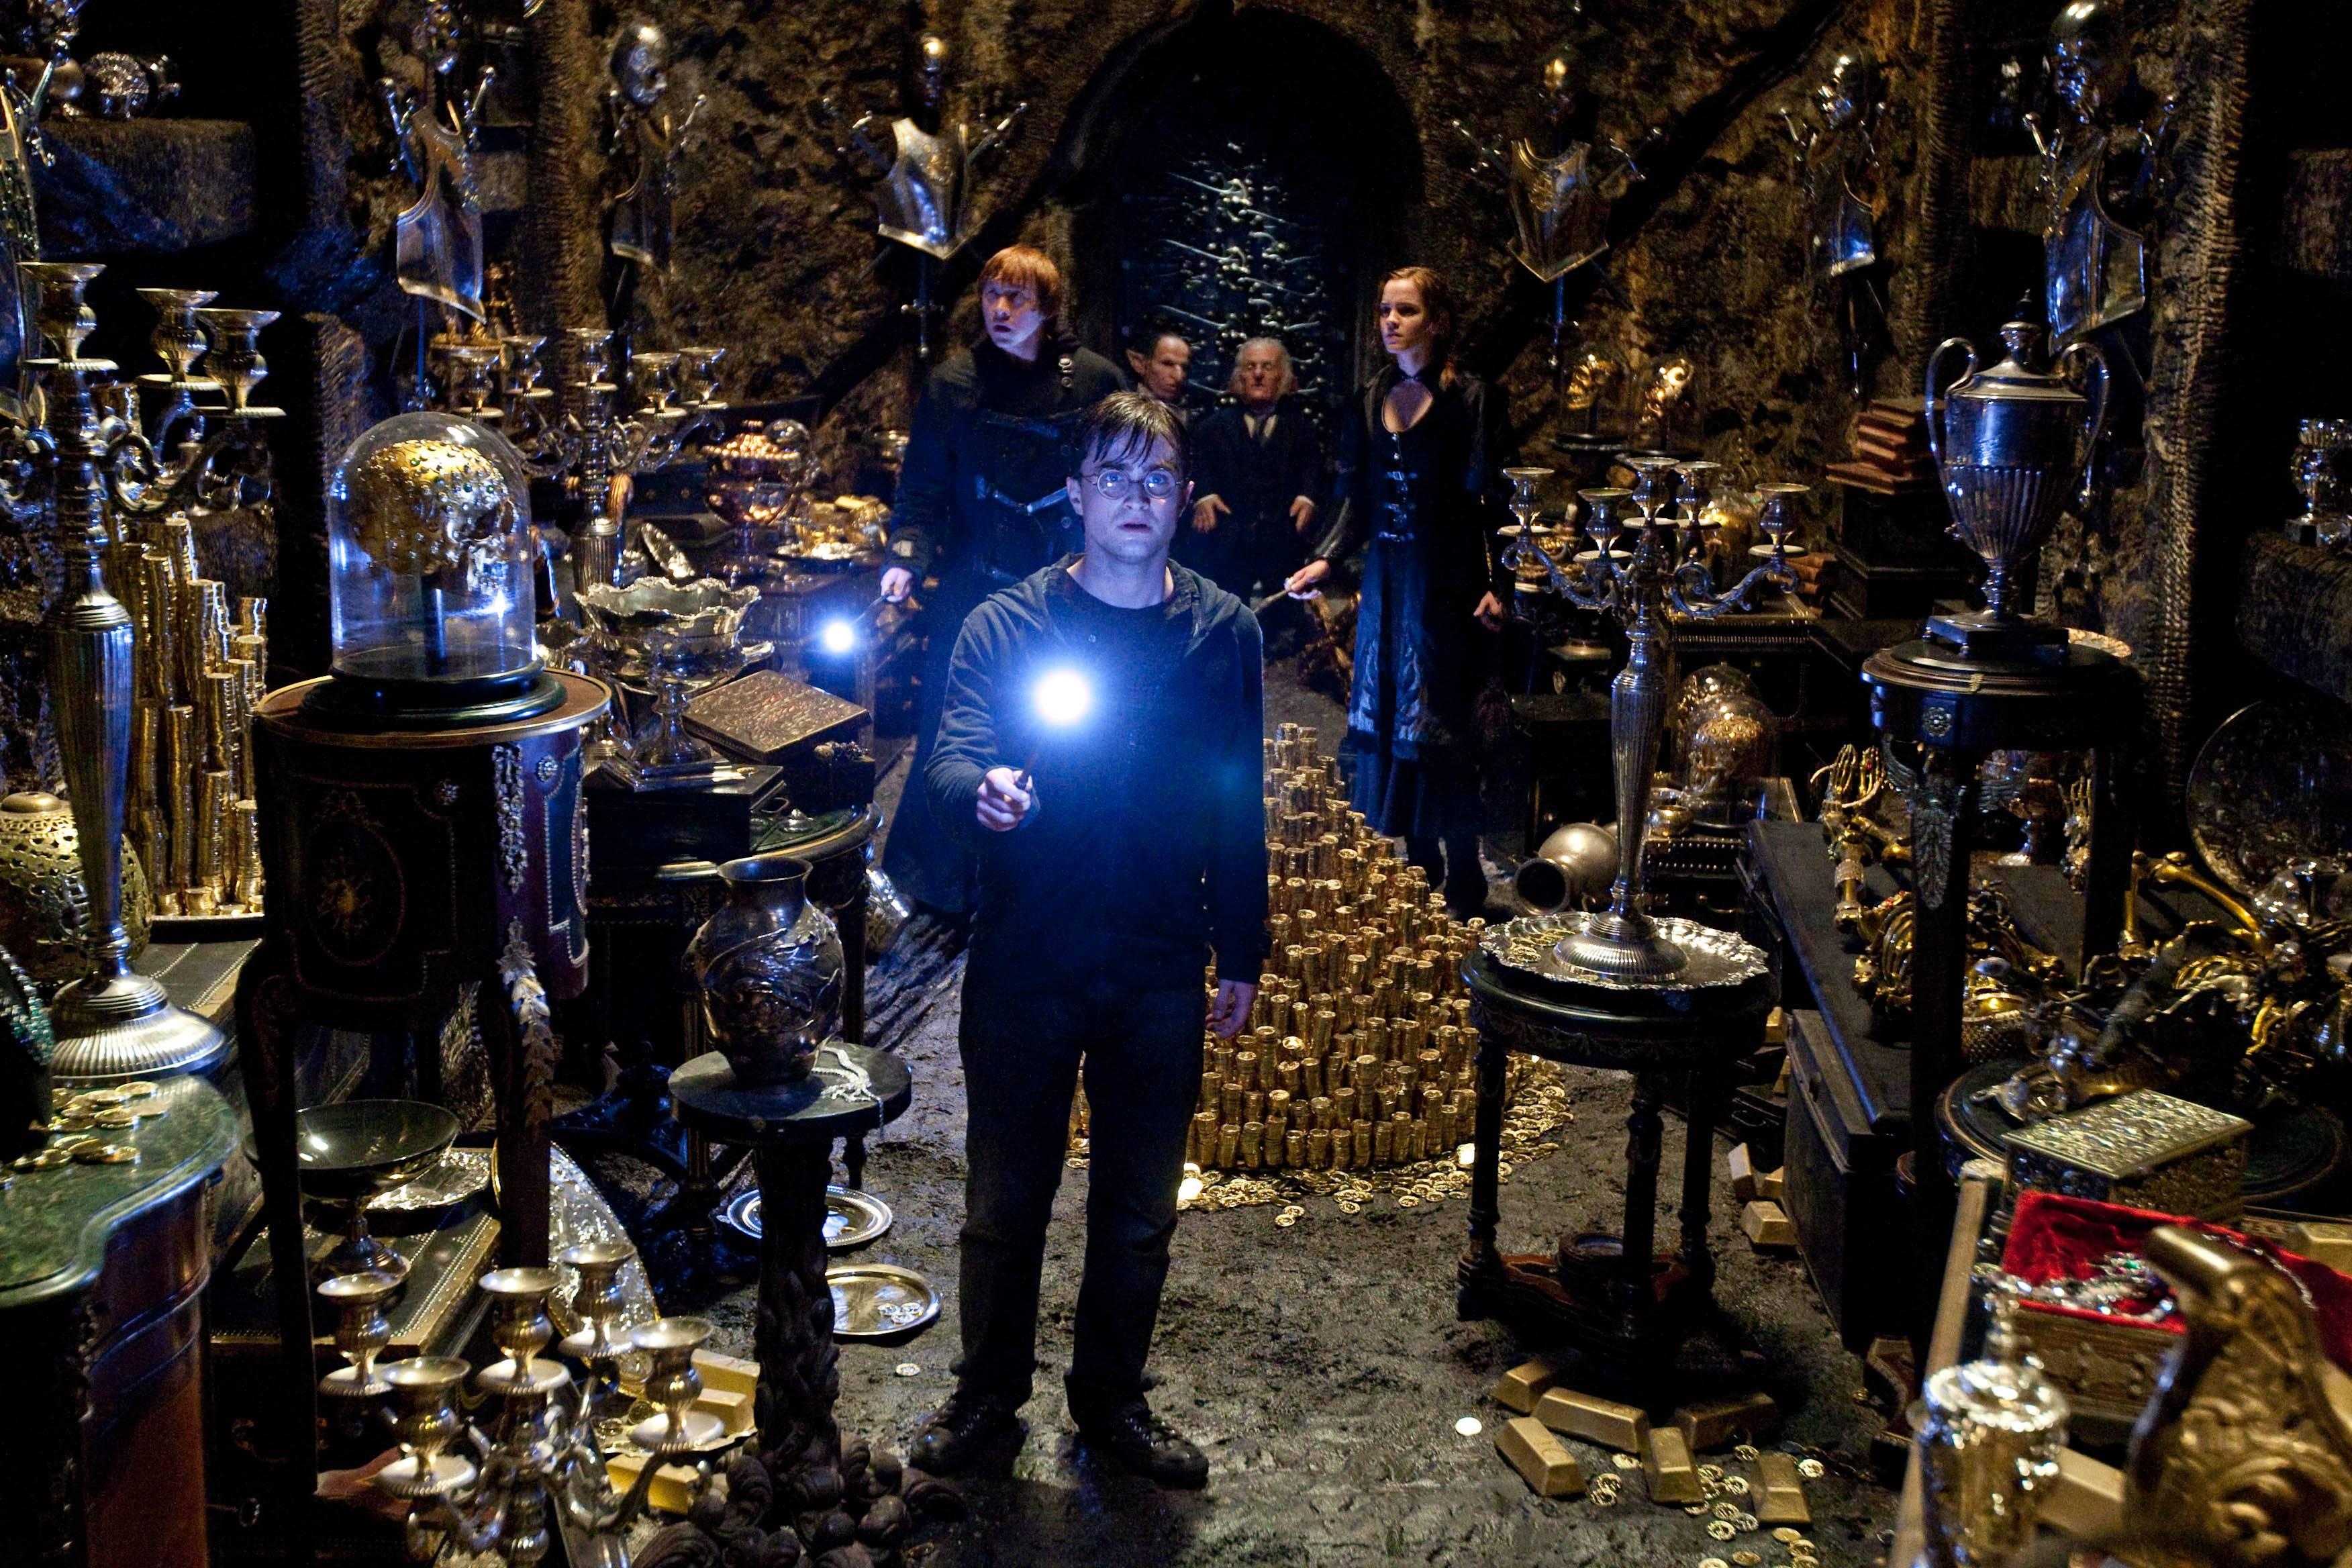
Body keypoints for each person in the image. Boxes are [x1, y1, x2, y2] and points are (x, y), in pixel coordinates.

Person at [912, 393, 1265, 1489]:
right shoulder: (1006, 625)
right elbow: (949, 753)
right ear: (1075, 493)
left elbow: (1238, 796)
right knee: (1004, 1198)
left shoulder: (1222, 633)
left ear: (1183, 498)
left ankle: (1111, 1400)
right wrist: (984, 792)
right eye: (1112, 476)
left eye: (1155, 478)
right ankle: (987, 1395)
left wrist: (1242, 947)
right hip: (1030, 950)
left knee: (1138, 1206)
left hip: (1159, 954)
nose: (1133, 498)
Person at [878, 245, 1126, 916]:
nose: (1002, 309)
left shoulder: (1097, 383)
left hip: (1067, 592)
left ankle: (1065, 879)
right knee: (955, 727)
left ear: (1048, 309)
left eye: (1018, 298)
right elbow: (923, 487)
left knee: (1070, 727)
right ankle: (943, 889)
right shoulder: (953, 384)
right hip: (975, 586)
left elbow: (1120, 480)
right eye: (992, 295)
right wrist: (906, 557)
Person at [1285, 266, 1509, 921]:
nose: (1390, 321)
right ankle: (1420, 867)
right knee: (1391, 723)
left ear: (1435, 321)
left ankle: (1465, 876)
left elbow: (1497, 506)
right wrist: (1325, 558)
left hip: (1447, 585)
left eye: (1405, 311)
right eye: (1384, 309)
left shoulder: (1474, 399)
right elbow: (1356, 501)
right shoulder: (1368, 398)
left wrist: (1501, 586)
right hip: (1387, 586)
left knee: (1444, 730)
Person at [1182, 337, 1324, 608]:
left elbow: (1314, 468)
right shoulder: (1211, 427)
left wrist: (1307, 497)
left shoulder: (1302, 429)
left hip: (1281, 546)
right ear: (1239, 377)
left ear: (1282, 376)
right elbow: (1195, 463)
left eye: (1267, 367)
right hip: (1227, 546)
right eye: (1250, 367)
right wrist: (1204, 495)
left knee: (1284, 618)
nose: (1258, 374)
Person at [1122, 323, 1193, 414]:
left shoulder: (1188, 415)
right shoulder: (1123, 411)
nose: (1178, 377)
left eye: (1184, 367)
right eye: (1167, 364)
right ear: (1139, 363)